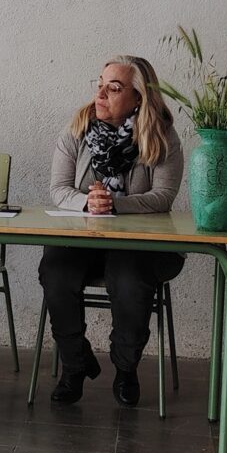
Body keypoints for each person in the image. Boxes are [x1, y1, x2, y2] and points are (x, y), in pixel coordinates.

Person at [39, 55, 184, 406]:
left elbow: (163, 196)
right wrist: (89, 203)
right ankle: (75, 365)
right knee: (55, 270)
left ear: (138, 98)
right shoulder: (78, 128)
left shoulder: (161, 135)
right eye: (100, 84)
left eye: (114, 88)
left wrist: (116, 205)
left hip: (139, 243)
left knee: (129, 277)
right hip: (83, 237)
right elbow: (58, 189)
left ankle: (125, 367)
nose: (100, 94)